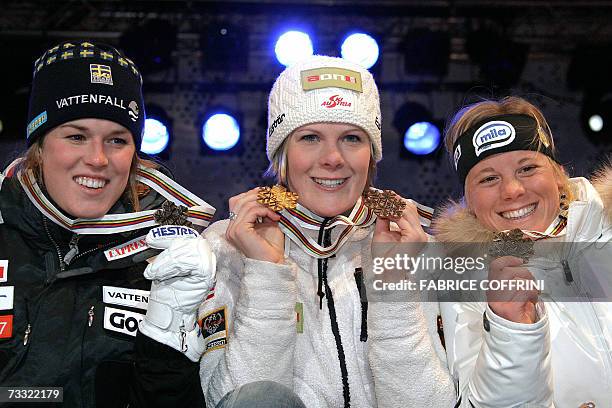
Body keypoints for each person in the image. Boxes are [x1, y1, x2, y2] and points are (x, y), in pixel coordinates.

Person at [197, 55, 456, 407]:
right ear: (281, 152)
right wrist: (266, 273)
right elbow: (235, 400)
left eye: (351, 138)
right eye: (310, 137)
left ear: (371, 155)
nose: (333, 158)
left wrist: (392, 282)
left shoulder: (417, 247)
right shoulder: (225, 247)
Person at [0, 41, 216, 407]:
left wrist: (170, 335)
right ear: (40, 144)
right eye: (76, 136)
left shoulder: (166, 260)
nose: (98, 158)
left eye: (117, 140)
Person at [433, 96, 612, 407]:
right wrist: (510, 330)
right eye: (488, 179)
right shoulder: (463, 282)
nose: (512, 191)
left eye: (527, 168)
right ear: (469, 200)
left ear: (558, 176)